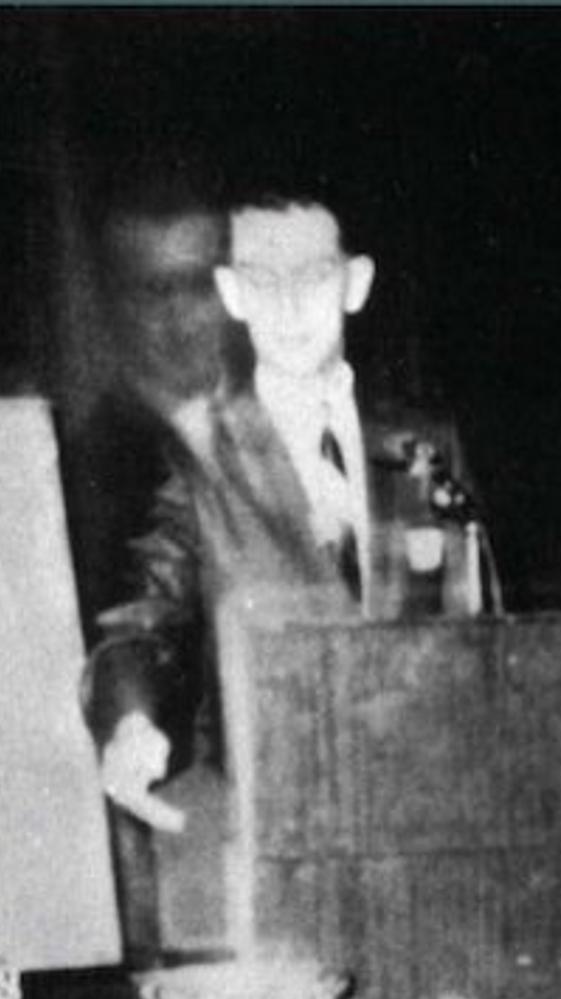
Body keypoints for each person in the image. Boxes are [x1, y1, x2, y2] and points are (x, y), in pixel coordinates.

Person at [83, 177, 495, 838]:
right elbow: (140, 624)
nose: (288, 304)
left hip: (428, 813)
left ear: (355, 284)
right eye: (262, 279)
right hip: (274, 826)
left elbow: (487, 629)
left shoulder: (425, 443)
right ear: (231, 293)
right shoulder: (201, 452)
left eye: (312, 275)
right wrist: (132, 722)